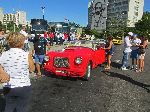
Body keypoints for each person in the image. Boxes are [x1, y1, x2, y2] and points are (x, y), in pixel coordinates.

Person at [0, 32, 35, 112]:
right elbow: (32, 69)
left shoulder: (3, 54)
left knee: (9, 106)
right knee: (21, 108)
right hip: (23, 86)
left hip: (8, 86)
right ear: (21, 42)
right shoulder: (26, 54)